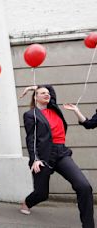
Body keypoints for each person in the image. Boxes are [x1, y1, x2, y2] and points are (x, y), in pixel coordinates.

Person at [19, 85, 94, 228]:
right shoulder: (30, 115)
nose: (47, 94)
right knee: (42, 194)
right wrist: (35, 159)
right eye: (42, 93)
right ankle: (27, 202)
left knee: (84, 186)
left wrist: (35, 86)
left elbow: (50, 90)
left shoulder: (54, 108)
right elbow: (31, 139)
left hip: (61, 153)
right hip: (43, 156)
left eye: (48, 93)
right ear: (35, 97)